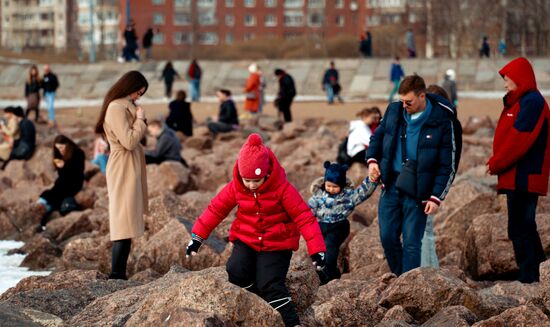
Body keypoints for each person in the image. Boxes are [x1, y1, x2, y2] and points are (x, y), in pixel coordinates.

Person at [185, 134, 326, 327]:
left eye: (256, 180)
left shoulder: (282, 188)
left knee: (269, 284)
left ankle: (292, 323)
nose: (251, 185)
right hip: (247, 238)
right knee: (235, 271)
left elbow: (304, 217)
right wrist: (197, 237)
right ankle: (254, 302)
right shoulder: (236, 186)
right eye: (247, 180)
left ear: (267, 173)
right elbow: (216, 209)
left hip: (277, 243)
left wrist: (317, 250)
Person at [366, 74, 462, 276]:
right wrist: (373, 161)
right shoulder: (394, 110)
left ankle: (406, 288)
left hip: (419, 190)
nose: (404, 106)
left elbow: (448, 165)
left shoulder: (443, 120)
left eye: (408, 102)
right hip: (391, 184)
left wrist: (437, 197)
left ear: (422, 96)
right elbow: (378, 136)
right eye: (401, 101)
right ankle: (404, 280)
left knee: (411, 243)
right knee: (387, 237)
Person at [487, 57, 550, 283]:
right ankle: (539, 273)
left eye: (508, 79)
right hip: (518, 175)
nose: (505, 84)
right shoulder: (521, 101)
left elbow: (519, 140)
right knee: (524, 226)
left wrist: (496, 163)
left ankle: (529, 277)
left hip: (524, 175)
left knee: (519, 228)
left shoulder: (531, 102)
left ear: (519, 78)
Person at [95, 70, 149, 280]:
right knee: (122, 220)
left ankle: (119, 272)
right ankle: (117, 273)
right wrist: (140, 120)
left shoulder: (124, 106)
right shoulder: (116, 108)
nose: (138, 97)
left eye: (141, 94)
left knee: (127, 219)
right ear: (129, 87)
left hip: (129, 165)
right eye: (138, 92)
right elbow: (129, 141)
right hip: (123, 165)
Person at [308, 161, 378, 284]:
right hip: (321, 225)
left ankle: (328, 271)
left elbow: (362, 193)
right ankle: (320, 268)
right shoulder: (318, 196)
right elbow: (309, 210)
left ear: (341, 185)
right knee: (317, 247)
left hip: (339, 225)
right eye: (329, 185)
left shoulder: (347, 197)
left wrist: (371, 180)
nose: (331, 189)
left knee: (330, 245)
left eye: (335, 187)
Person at [35, 135, 85, 232]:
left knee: (53, 197)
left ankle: (43, 221)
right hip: (62, 182)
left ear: (67, 144)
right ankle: (41, 220)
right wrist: (60, 167)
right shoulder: (59, 154)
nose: (60, 150)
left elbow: (77, 173)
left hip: (74, 182)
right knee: (47, 196)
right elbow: (62, 175)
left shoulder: (78, 153)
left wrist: (64, 166)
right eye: (58, 148)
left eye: (62, 147)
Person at [2, 106, 36, 170]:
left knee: (12, 154)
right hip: (27, 146)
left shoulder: (25, 124)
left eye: (13, 115)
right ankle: (4, 166)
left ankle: (3, 168)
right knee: (11, 152)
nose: (13, 117)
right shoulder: (24, 122)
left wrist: (14, 142)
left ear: (17, 115)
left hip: (27, 149)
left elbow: (26, 139)